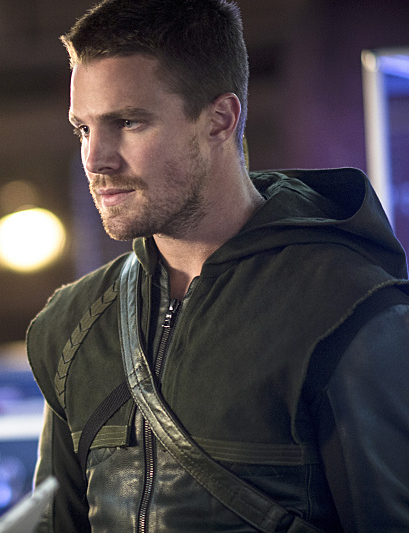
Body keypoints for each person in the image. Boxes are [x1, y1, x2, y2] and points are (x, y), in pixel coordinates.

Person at [26, 0, 409, 531]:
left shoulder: (345, 308)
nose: (96, 159)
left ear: (220, 120)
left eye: (128, 122)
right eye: (84, 130)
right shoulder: (73, 323)